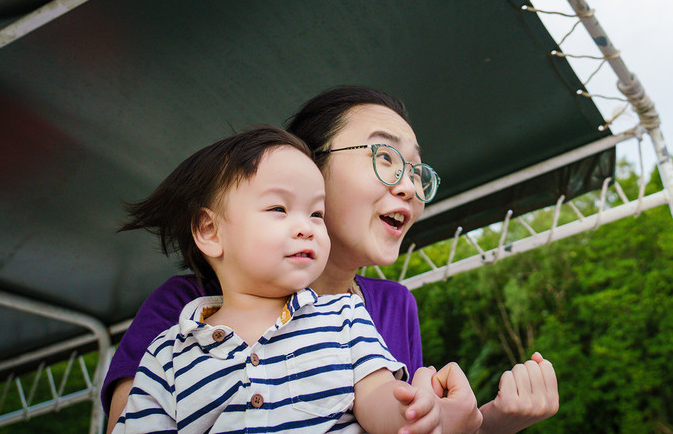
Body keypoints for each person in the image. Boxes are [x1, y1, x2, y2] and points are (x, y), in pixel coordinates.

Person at [105, 86, 559, 433]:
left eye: (417, 172)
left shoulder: (390, 307)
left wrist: (486, 421)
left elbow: (402, 419)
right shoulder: (183, 314)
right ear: (306, 165)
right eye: (385, 157)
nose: (410, 187)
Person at [113, 126, 440, 434]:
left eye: (316, 214)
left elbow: (378, 396)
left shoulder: (346, 317)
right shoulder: (167, 355)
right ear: (210, 231)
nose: (307, 227)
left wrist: (412, 411)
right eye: (279, 208)